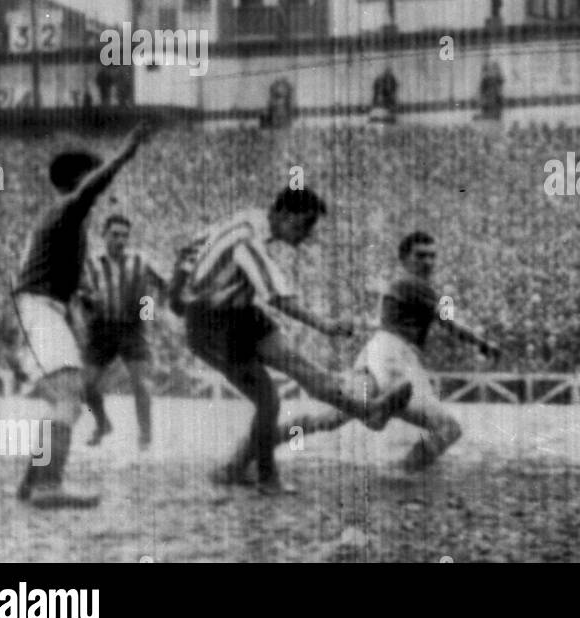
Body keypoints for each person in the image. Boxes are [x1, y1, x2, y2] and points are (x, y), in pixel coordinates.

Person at [172, 188, 412, 496]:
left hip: (241, 312)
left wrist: (175, 293)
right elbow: (280, 299)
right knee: (268, 400)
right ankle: (266, 477)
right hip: (210, 325)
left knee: (299, 365)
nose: (307, 234)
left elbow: (187, 250)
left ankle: (367, 410)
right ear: (284, 215)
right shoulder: (250, 241)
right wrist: (325, 326)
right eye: (305, 224)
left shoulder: (247, 218)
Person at [264, 231, 500, 472]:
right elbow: (449, 321)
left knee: (331, 418)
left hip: (379, 354)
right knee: (447, 429)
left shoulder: (406, 286)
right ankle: (402, 471)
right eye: (421, 256)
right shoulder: (412, 284)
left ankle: (260, 444)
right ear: (404, 258)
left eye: (432, 256)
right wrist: (483, 344)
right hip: (393, 357)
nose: (428, 262)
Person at [13, 123, 152, 508]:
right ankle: (48, 485)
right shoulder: (66, 209)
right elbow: (91, 188)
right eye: (94, 180)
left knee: (64, 395)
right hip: (40, 310)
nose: (101, 191)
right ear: (80, 181)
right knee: (70, 397)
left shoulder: (62, 221)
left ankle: (32, 481)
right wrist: (126, 151)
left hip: (41, 310)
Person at [77, 214, 168, 450]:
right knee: (85, 385)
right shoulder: (89, 263)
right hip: (101, 329)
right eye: (115, 234)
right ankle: (102, 423)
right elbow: (78, 294)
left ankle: (145, 437)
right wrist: (87, 303)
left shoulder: (141, 260)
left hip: (132, 329)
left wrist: (149, 311)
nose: (120, 240)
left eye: (125, 235)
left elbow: (164, 286)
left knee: (142, 383)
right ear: (103, 234)